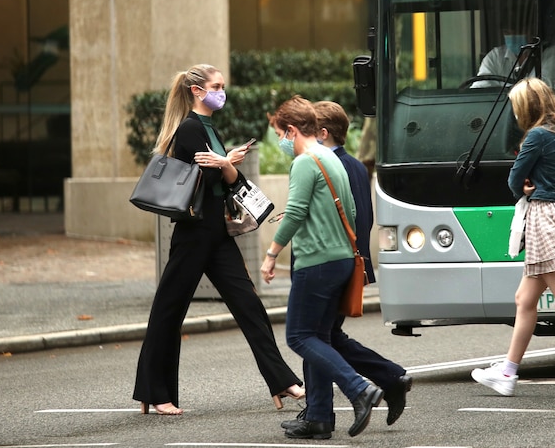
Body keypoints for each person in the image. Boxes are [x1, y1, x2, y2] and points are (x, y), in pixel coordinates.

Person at [132, 64, 304, 416]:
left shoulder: (209, 127)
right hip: (194, 231)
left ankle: (281, 380)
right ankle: (154, 391)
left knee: (249, 305)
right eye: (216, 86)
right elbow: (210, 171)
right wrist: (227, 164)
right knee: (169, 310)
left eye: (222, 86)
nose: (221, 92)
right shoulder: (191, 128)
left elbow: (225, 176)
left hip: (217, 233)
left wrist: (226, 164)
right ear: (197, 91)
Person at [470, 78, 555, 401]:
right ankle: (507, 373)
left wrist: (526, 188)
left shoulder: (536, 135)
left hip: (547, 220)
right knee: (525, 299)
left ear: (526, 108)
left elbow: (514, 179)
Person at [261, 96, 384, 440]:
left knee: (300, 336)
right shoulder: (332, 158)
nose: (281, 142)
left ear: (290, 129)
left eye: (280, 133)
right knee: (320, 337)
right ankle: (318, 418)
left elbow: (296, 212)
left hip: (316, 261)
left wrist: (272, 253)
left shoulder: (305, 161)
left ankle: (359, 389)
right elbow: (355, 214)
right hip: (342, 259)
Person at [471, 33, 555, 89]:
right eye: (508, 32)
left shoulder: (551, 54)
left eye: (518, 32)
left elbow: (544, 88)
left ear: (531, 30)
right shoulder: (495, 56)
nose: (513, 36)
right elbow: (480, 89)